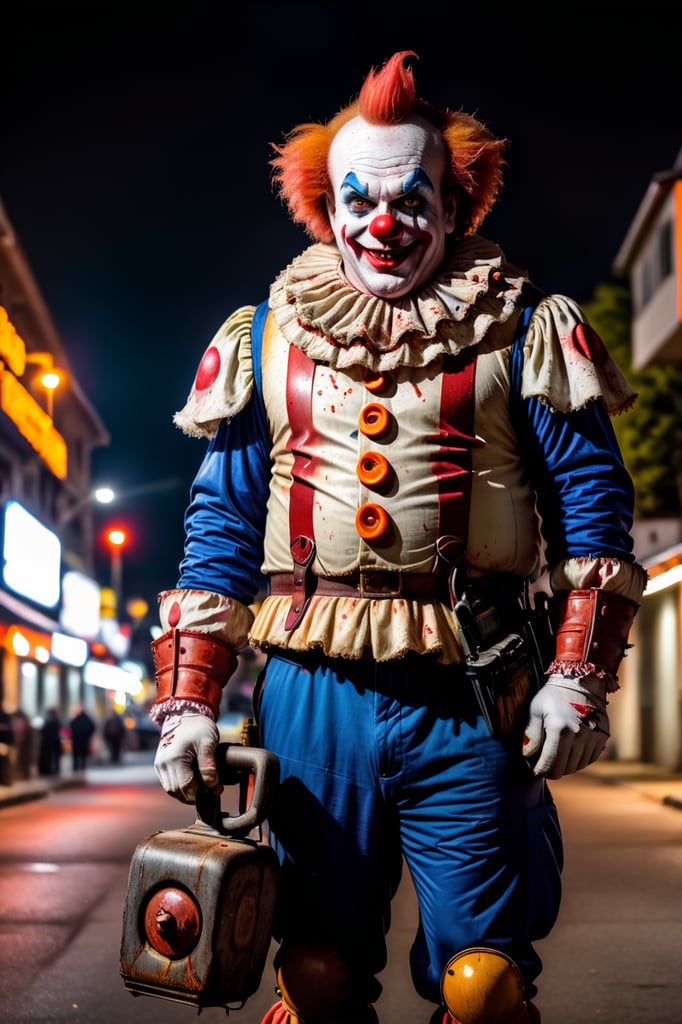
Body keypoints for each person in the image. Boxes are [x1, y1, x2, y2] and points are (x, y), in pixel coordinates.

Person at [150, 53, 647, 1024]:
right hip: (310, 689)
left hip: (474, 679)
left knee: (485, 984)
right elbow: (219, 527)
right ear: (327, 209)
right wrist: (187, 703)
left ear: (456, 205)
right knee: (316, 973)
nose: (385, 224)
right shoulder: (265, 342)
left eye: (411, 198)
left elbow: (594, 508)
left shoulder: (526, 329)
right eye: (360, 200)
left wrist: (578, 674)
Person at [69, 705, 96, 771]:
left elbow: (71, 726)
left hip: (77, 740)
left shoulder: (76, 720)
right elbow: (92, 727)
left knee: (76, 755)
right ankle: (82, 767)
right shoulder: (87, 720)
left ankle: (76, 768)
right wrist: (88, 736)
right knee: (83, 755)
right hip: (84, 740)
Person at [38, 707, 62, 777]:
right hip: (54, 740)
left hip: (48, 741)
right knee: (54, 757)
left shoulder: (48, 720)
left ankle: (48, 770)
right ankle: (55, 770)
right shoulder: (56, 720)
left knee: (48, 756)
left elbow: (43, 730)